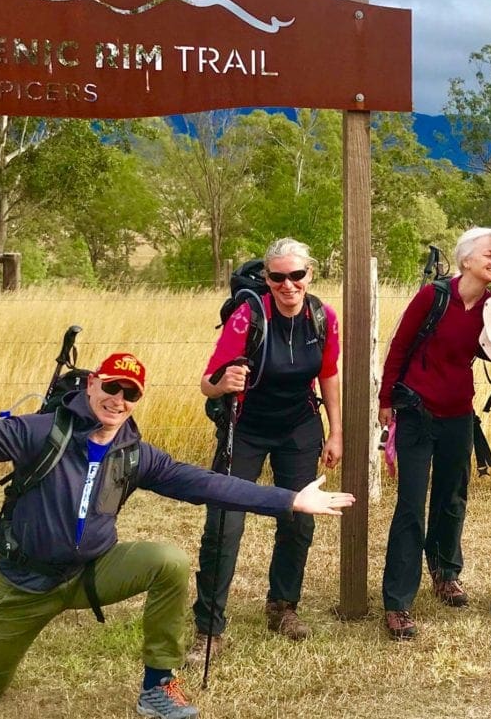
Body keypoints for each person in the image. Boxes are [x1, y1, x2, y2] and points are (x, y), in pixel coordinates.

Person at [0, 354, 354, 719]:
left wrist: (288, 499)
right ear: (91, 386)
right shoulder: (38, 432)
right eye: (111, 386)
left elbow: (207, 484)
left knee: (167, 560)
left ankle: (156, 689)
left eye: (131, 392)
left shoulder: (136, 453)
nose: (119, 399)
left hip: (91, 574)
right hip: (27, 584)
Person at [189, 237, 342, 663]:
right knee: (225, 522)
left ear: (310, 274)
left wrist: (336, 432)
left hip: (299, 427)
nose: (288, 285)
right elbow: (207, 381)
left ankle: (283, 608)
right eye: (278, 277)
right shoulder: (248, 316)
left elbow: (328, 374)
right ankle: (209, 626)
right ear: (268, 280)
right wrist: (223, 384)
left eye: (297, 275)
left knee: (298, 519)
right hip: (247, 428)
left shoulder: (322, 316)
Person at [377, 227, 491, 640]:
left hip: (458, 415)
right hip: (416, 411)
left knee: (453, 497)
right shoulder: (433, 296)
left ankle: (445, 573)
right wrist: (386, 400)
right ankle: (398, 601)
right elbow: (399, 346)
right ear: (466, 260)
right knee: (411, 504)